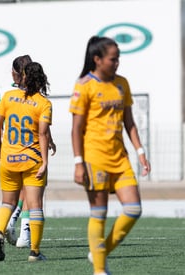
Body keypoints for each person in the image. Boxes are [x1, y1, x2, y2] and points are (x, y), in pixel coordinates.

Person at [69, 36, 151, 275]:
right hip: (94, 159)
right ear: (97, 59)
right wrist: (78, 163)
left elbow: (129, 123)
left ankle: (99, 251)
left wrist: (140, 152)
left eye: (118, 58)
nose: (117, 63)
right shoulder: (84, 85)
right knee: (99, 214)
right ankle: (100, 269)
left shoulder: (122, 84)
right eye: (113, 59)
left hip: (121, 159)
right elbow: (75, 128)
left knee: (134, 209)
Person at [0, 55, 56, 248]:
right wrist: (46, 158)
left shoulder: (7, 95)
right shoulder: (43, 103)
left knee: (7, 201)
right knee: (34, 203)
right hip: (32, 157)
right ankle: (32, 247)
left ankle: (1, 232)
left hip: (9, 157)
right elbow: (42, 133)